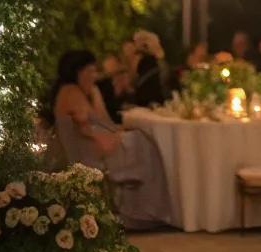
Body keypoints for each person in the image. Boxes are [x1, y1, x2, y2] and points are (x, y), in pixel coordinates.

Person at [48, 50, 172, 229]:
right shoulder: (72, 93)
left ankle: (145, 211)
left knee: (141, 140)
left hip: (91, 149)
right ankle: (150, 211)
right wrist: (114, 135)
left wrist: (95, 95)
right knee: (146, 145)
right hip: (91, 156)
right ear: (77, 72)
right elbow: (97, 130)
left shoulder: (73, 91)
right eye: (89, 71)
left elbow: (103, 124)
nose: (93, 76)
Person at [131, 29, 167, 107]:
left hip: (147, 95)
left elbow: (133, 77)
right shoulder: (155, 60)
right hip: (152, 95)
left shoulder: (142, 58)